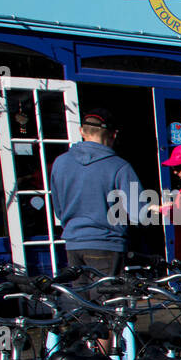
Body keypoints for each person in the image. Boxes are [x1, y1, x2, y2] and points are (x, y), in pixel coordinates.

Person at [49, 108, 142, 277]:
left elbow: (58, 208)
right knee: (109, 299)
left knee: (82, 300)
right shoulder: (119, 166)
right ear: (114, 135)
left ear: (82, 132)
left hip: (74, 243)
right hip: (107, 242)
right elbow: (138, 212)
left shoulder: (60, 163)